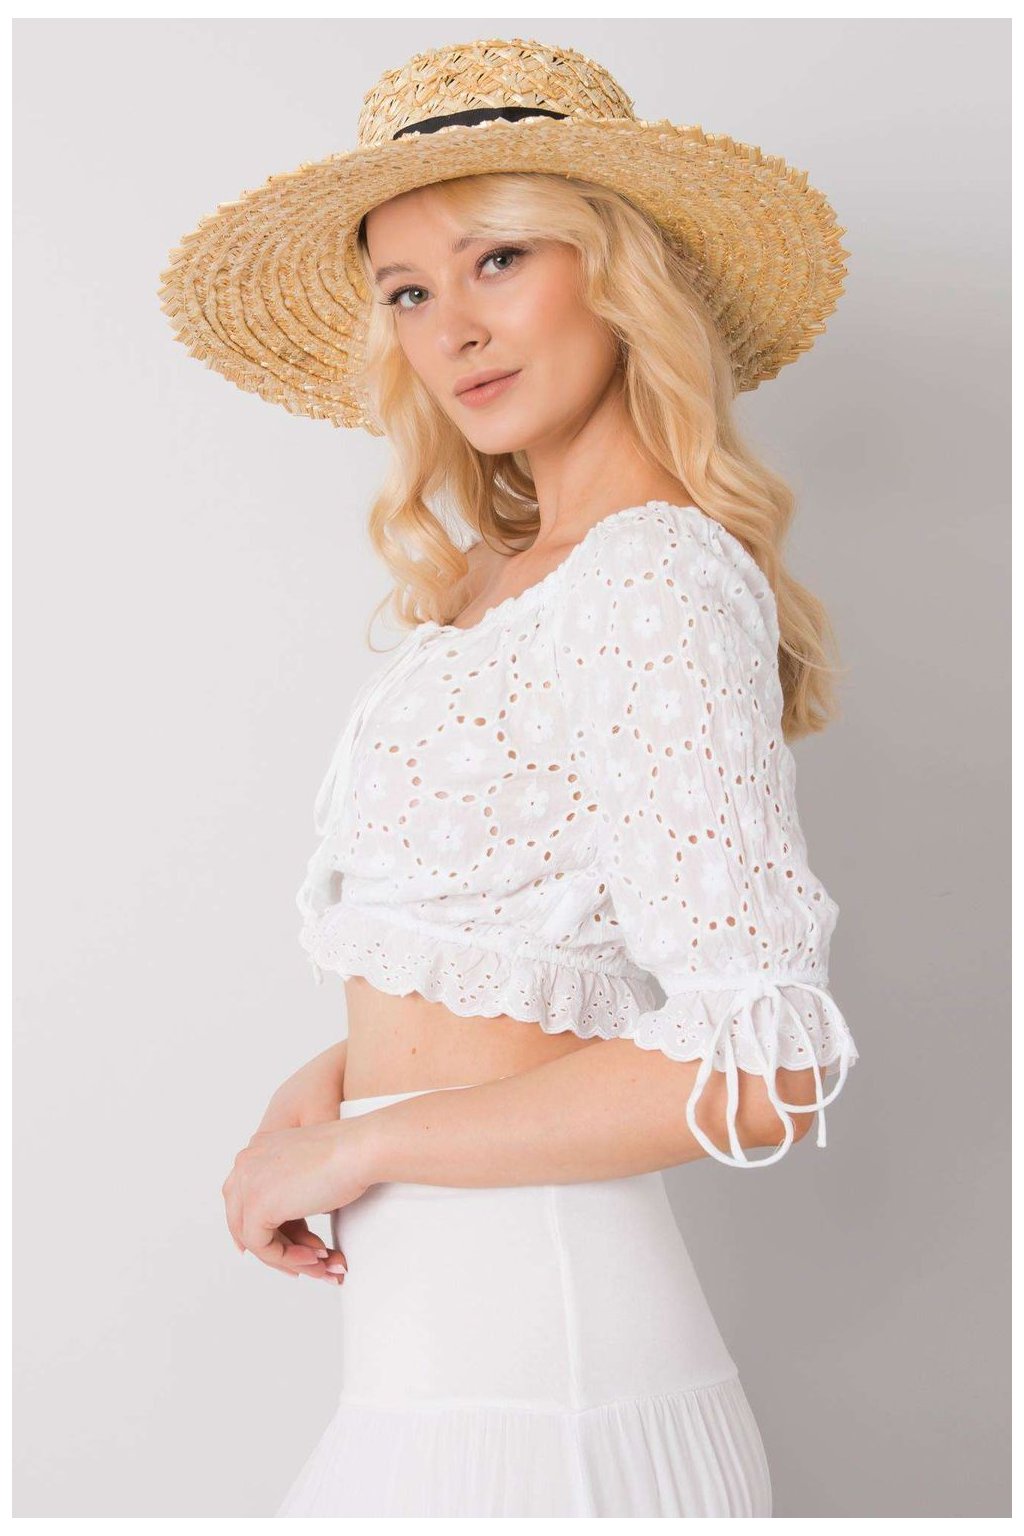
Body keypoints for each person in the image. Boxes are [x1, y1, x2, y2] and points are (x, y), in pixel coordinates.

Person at [159, 36, 861, 1519]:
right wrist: (330, 1087)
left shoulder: (654, 576)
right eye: (408, 290)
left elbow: (767, 1065)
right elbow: (515, 954)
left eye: (497, 259)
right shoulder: (502, 579)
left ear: (615, 275)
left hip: (552, 1392)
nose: (454, 328)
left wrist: (365, 1142)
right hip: (447, 1362)